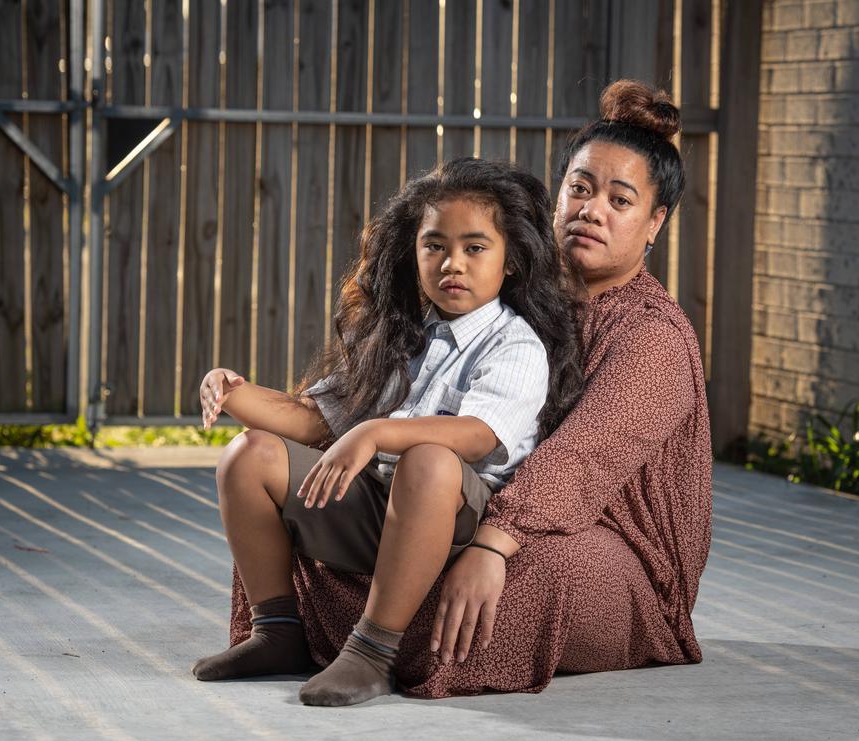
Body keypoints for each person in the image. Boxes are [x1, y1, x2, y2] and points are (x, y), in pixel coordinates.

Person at [226, 79, 712, 698]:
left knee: (510, 579)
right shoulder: (508, 290)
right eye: (580, 188)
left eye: (621, 200)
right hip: (470, 500)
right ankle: (293, 630)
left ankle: (374, 642)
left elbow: (581, 459)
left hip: (609, 551)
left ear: (655, 223)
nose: (592, 210)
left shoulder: (653, 335)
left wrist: (491, 545)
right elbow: (367, 399)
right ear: (557, 196)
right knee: (311, 485)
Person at [191, 158, 585, 706]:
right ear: (412, 252)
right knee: (248, 455)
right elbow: (314, 417)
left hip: (453, 519)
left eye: (475, 248)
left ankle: (373, 653)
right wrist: (234, 391)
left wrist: (376, 432)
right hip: (381, 506)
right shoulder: (402, 337)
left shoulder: (514, 344)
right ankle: (277, 630)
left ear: (511, 260)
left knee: (429, 458)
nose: (453, 263)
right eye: (434, 246)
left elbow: (476, 435)